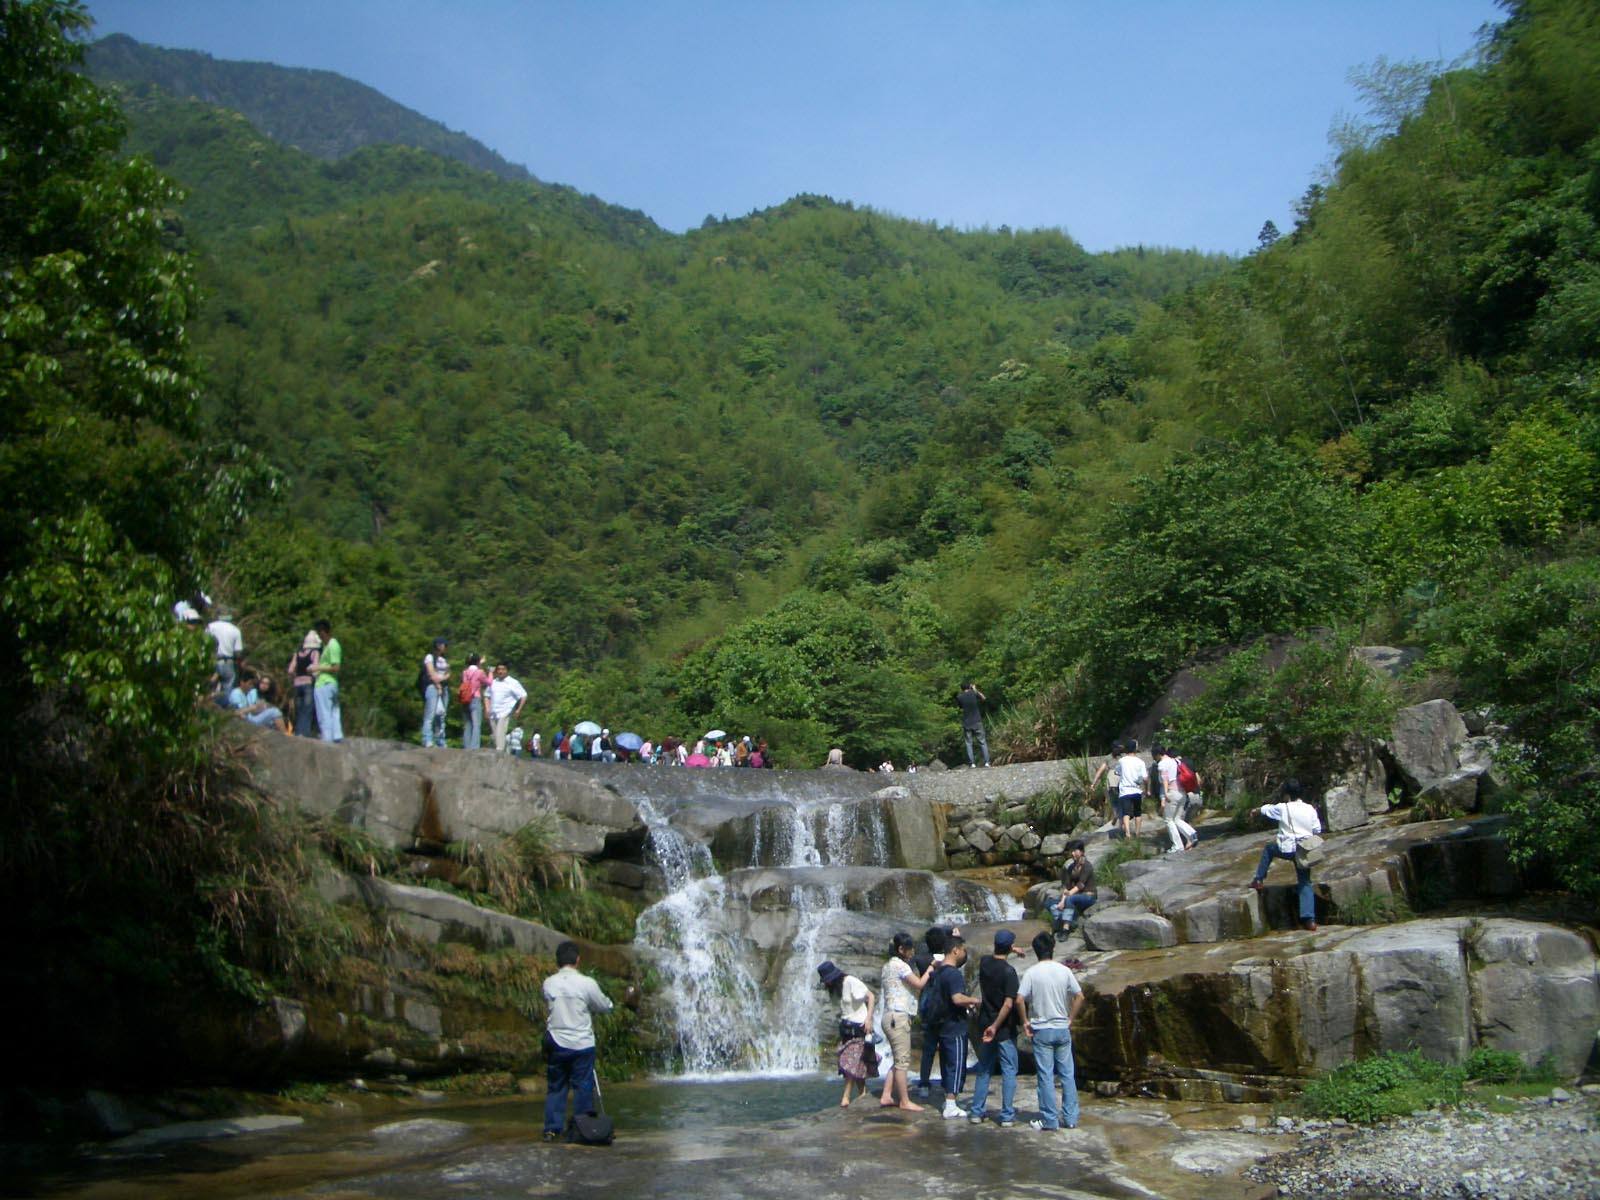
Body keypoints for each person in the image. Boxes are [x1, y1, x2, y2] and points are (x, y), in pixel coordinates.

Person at [541, 940, 626, 1140]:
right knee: (583, 1086)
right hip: (582, 1043)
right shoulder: (587, 983)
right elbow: (603, 1005)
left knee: (556, 1087)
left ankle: (552, 1129)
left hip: (556, 1040)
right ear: (578, 960)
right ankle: (582, 1129)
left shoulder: (549, 983)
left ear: (558, 961)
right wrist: (611, 1005)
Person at [1018, 930, 1085, 1131]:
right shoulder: (1064, 971)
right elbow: (1079, 996)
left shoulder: (1031, 972)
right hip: (1062, 1029)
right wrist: (1070, 1019)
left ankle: (1049, 1120)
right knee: (1067, 1074)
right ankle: (1071, 1118)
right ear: (1052, 949)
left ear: (1036, 951)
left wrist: (1025, 1021)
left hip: (1042, 1030)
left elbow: (1020, 999)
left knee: (1045, 1076)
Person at [1248, 778, 1323, 931]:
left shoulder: (1283, 808)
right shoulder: (1309, 809)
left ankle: (1258, 879)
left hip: (1287, 849)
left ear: (1287, 795)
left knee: (1269, 849)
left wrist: (1255, 811)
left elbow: (1266, 809)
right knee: (1305, 882)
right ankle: (1309, 920)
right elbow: (1317, 830)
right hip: (1304, 850)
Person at [967, 930, 1023, 1127]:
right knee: (1009, 1070)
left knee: (984, 1069)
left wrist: (1011, 949)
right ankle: (1007, 1115)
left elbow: (996, 956)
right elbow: (1008, 1005)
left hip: (984, 1023)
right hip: (1003, 1028)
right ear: (1009, 947)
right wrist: (996, 1026)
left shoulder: (984, 963)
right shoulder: (1009, 972)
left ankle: (976, 1112)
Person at [925, 936, 981, 1119]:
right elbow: (957, 999)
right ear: (955, 950)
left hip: (940, 1024)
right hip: (954, 1025)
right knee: (956, 1063)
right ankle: (950, 1103)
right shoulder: (954, 973)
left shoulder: (938, 971)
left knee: (946, 1063)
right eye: (964, 950)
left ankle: (947, 1099)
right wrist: (975, 1000)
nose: (965, 954)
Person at [877, 932, 933, 1111]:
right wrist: (932, 967)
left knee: (897, 1058)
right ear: (901, 949)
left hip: (888, 1017)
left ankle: (886, 1095)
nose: (913, 951)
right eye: (910, 948)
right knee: (902, 1061)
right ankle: (904, 1101)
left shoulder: (887, 966)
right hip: (898, 1017)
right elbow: (919, 984)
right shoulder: (901, 966)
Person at [817, 960, 876, 1107]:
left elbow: (871, 996)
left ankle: (845, 1097)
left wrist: (869, 1019)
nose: (828, 984)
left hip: (860, 1027)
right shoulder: (835, 989)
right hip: (846, 1028)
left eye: (829, 981)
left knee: (850, 1062)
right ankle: (863, 1093)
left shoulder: (850, 981)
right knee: (857, 1062)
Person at [1047, 841, 1097, 933]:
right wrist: (1062, 901)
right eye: (1071, 851)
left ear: (1082, 852)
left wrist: (1068, 896)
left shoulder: (1087, 866)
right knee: (1049, 902)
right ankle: (1068, 921)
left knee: (1069, 900)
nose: (1072, 853)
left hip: (1088, 896)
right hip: (1075, 896)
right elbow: (1067, 886)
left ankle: (1066, 928)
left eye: (1075, 851)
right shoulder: (1071, 867)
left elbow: (1080, 885)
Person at [1156, 744, 1197, 853]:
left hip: (1172, 792)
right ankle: (1192, 834)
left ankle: (1178, 846)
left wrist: (1165, 794)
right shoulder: (1176, 761)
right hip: (1182, 792)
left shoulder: (1162, 763)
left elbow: (1165, 779)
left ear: (1157, 754)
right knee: (1177, 819)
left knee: (1168, 820)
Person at [485, 663, 528, 753]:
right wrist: (487, 709)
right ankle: (499, 751)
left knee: (500, 732)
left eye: (503, 669)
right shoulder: (493, 682)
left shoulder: (513, 682)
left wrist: (518, 709)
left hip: (505, 711)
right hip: (493, 712)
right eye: (499, 669)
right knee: (495, 735)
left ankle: (499, 752)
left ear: (507, 670)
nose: (500, 671)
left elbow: (523, 695)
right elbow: (486, 695)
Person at [311, 619, 342, 742]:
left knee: (324, 713)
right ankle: (336, 736)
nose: (319, 637)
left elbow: (336, 667)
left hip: (325, 683)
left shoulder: (333, 645)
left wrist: (317, 667)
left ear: (323, 632)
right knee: (334, 712)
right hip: (330, 683)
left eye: (319, 634)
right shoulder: (326, 646)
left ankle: (327, 739)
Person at [286, 631, 321, 738]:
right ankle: (305, 734)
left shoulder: (297, 654)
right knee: (307, 710)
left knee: (299, 710)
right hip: (308, 684)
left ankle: (298, 733)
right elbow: (315, 669)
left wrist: (295, 678)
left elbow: (290, 670)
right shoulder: (315, 653)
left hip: (297, 685)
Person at [1115, 740, 1149, 841]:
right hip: (1136, 790)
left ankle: (1128, 834)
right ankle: (1138, 833)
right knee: (1138, 813)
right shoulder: (1140, 762)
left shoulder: (1122, 760)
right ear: (1135, 749)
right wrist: (1147, 789)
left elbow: (1117, 772)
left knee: (1126, 813)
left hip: (1125, 790)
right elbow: (1145, 778)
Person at [206, 610, 244, 696]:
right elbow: (238, 652)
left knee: (209, 685)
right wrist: (239, 665)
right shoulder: (235, 630)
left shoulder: (210, 626)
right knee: (228, 684)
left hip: (211, 659)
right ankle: (225, 705)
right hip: (227, 661)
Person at [458, 653, 490, 750]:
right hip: (475, 698)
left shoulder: (465, 672)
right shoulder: (480, 672)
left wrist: (480, 663)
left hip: (465, 699)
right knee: (476, 724)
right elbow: (489, 682)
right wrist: (491, 673)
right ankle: (474, 747)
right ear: (477, 661)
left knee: (467, 724)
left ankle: (466, 746)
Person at [956, 681, 990, 768]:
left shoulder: (959, 697)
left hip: (967, 722)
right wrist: (975, 689)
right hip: (977, 721)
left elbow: (960, 707)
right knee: (982, 742)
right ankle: (987, 762)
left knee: (968, 743)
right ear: (970, 686)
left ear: (962, 688)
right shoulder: (974, 693)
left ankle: (972, 763)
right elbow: (984, 698)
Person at [1088, 745, 1122, 825]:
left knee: (1113, 801)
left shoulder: (1108, 758)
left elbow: (1100, 771)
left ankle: (1115, 814)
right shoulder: (1122, 758)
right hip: (1121, 782)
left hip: (1111, 783)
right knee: (1121, 802)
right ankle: (1121, 822)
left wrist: (1093, 784)